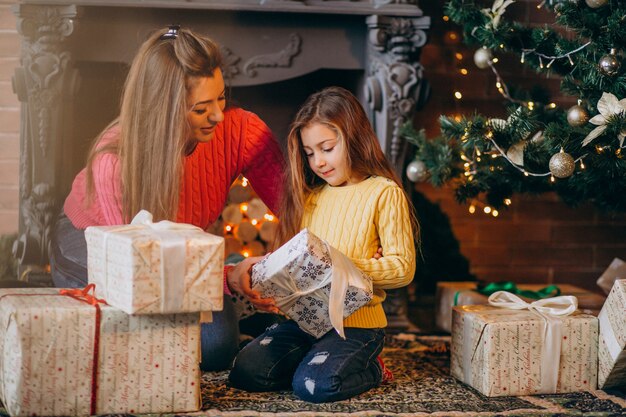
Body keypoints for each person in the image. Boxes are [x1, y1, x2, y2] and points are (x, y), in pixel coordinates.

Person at [49, 25, 283, 371]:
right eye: (201, 108)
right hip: (101, 247)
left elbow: (296, 203)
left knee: (212, 342)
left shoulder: (240, 130)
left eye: (221, 97)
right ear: (165, 108)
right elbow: (139, 278)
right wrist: (228, 277)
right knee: (212, 346)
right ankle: (231, 274)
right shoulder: (114, 160)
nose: (218, 115)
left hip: (177, 255)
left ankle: (230, 275)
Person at [228, 86, 418, 403]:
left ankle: (371, 368)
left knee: (316, 387)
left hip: (356, 325)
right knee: (245, 371)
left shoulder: (384, 193)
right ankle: (314, 359)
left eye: (327, 148)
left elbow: (402, 268)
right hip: (306, 323)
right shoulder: (313, 198)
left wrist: (343, 265)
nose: (318, 162)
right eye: (309, 152)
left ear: (354, 138)